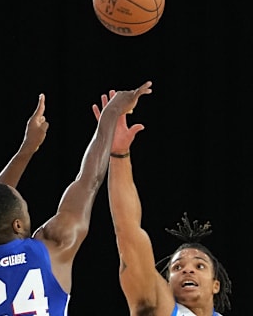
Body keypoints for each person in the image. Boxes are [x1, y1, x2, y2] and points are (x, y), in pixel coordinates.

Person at [0, 81, 153, 316]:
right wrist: (111, 112)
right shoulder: (54, 249)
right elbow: (88, 181)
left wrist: (26, 149)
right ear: (17, 224)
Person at [92, 88, 232, 316]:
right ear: (165, 283)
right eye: (177, 268)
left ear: (216, 285)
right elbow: (127, 230)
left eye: (199, 266)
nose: (188, 270)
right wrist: (118, 155)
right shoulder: (159, 306)